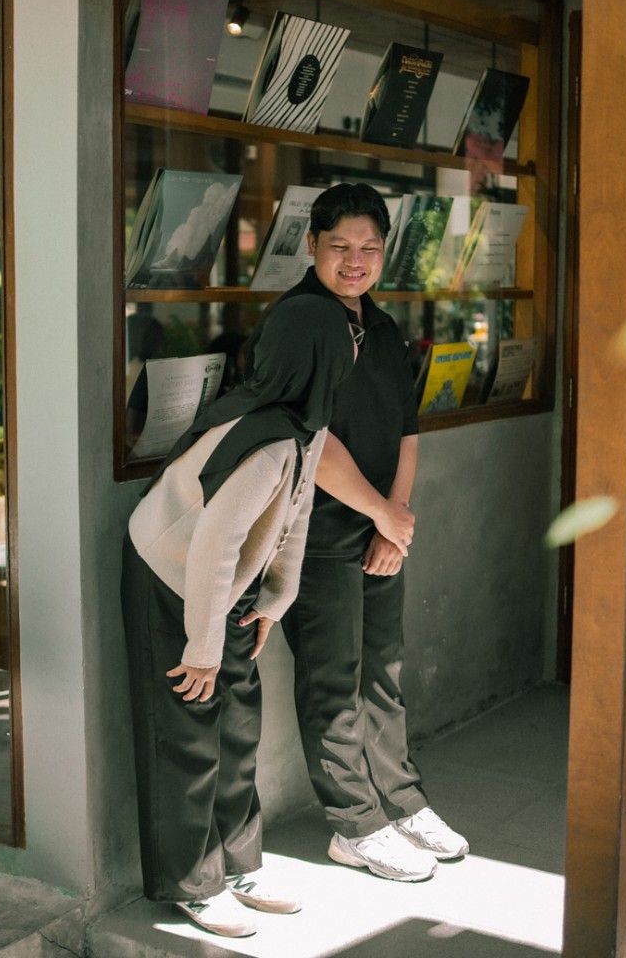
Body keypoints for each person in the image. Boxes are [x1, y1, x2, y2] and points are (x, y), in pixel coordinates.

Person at [121, 291, 358, 938]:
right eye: (349, 338)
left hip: (226, 584)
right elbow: (213, 546)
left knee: (238, 724)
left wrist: (275, 601)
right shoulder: (266, 442)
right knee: (189, 727)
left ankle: (240, 865)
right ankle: (194, 883)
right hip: (171, 573)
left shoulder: (306, 425)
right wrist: (202, 648)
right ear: (321, 355)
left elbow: (295, 515)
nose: (355, 347)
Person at [270, 183, 470, 882]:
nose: (355, 260)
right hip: (315, 535)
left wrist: (395, 521)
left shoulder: (381, 327)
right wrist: (381, 514)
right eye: (340, 246)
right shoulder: (299, 321)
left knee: (382, 672)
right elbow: (309, 437)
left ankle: (404, 802)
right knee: (332, 680)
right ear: (311, 246)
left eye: (370, 248)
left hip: (378, 530)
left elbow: (406, 429)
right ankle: (354, 824)